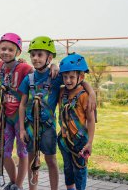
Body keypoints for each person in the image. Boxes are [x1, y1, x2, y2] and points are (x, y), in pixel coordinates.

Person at [18, 36, 96, 190]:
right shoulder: (28, 79)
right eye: (33, 54)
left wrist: (91, 92)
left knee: (51, 160)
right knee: (32, 160)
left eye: (40, 54)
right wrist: (21, 129)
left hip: (48, 128)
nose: (35, 58)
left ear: (49, 57)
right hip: (30, 127)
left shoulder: (57, 77)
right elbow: (22, 105)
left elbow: (77, 77)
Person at [0, 33, 32, 190]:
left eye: (10, 50)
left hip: (20, 117)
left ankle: (18, 185)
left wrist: (53, 67)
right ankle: (13, 181)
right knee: (4, 152)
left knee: (22, 152)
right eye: (3, 49)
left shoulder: (24, 68)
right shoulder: (0, 67)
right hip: (6, 116)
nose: (6, 52)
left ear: (18, 52)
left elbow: (41, 74)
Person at [57, 53, 95, 190]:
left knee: (79, 170)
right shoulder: (61, 92)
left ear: (81, 77)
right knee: (67, 168)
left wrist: (89, 142)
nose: (68, 80)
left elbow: (90, 120)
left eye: (72, 77)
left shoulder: (85, 96)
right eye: (65, 77)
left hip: (80, 141)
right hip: (64, 139)